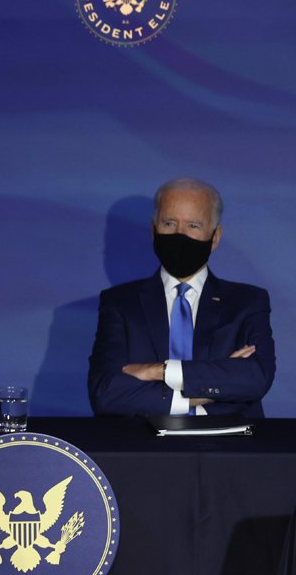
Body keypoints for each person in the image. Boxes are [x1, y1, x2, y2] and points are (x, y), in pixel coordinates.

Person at [88, 178, 274, 418]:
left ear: (215, 237)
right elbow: (105, 394)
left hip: (230, 447)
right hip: (142, 448)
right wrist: (214, 386)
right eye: (169, 223)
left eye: (193, 226)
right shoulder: (119, 303)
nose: (179, 235)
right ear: (153, 230)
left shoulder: (248, 302)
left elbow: (255, 379)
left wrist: (161, 371)